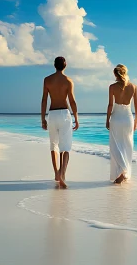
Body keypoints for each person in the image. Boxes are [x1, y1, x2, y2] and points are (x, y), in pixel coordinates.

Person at [41, 56, 79, 189]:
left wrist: (42, 118)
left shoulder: (47, 80)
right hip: (64, 114)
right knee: (65, 146)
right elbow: (72, 101)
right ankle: (63, 174)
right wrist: (76, 118)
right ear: (65, 65)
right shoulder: (68, 81)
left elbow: (44, 100)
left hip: (52, 114)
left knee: (53, 145)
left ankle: (56, 173)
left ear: (54, 65)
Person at [106, 64, 137, 184]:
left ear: (115, 74)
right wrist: (136, 121)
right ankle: (124, 171)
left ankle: (122, 170)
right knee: (127, 145)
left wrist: (107, 119)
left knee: (115, 146)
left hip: (116, 118)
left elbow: (110, 105)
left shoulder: (112, 87)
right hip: (128, 118)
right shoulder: (133, 87)